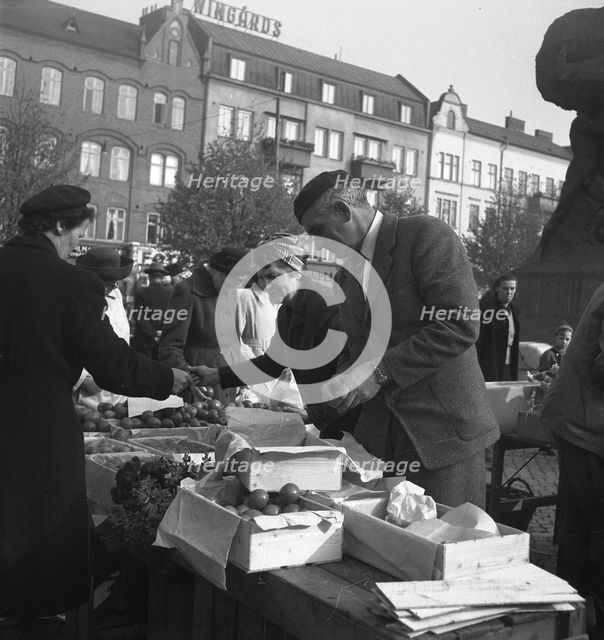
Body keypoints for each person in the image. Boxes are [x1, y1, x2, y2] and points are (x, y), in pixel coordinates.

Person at [195, 170, 499, 505]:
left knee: (448, 542)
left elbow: (459, 325)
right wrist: (341, 384)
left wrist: (377, 375)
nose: (315, 242)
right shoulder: (348, 273)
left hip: (443, 436)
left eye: (318, 231)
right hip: (384, 442)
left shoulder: (425, 234)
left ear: (344, 210)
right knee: (394, 547)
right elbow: (353, 350)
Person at [0, 185, 192, 635]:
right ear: (60, 226)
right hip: (40, 430)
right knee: (35, 544)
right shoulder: (73, 283)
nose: (76, 245)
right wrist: (168, 379)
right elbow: (112, 366)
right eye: (77, 233)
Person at [540, 288, 604, 638]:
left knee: (579, 526)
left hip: (581, 421)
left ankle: (569, 620)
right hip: (585, 425)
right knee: (592, 528)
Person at [159, 246, 248, 403]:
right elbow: (169, 347)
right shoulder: (186, 291)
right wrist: (189, 380)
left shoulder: (227, 290)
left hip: (226, 383)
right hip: (200, 388)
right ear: (219, 271)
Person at [73, 247, 134, 409]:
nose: (113, 286)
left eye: (114, 281)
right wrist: (83, 379)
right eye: (107, 282)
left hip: (118, 397)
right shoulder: (74, 299)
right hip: (86, 400)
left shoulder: (116, 294)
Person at [476, 274, 520, 381]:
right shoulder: (487, 309)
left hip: (509, 361)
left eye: (512, 289)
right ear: (497, 289)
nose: (509, 292)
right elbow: (480, 339)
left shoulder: (514, 310)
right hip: (490, 362)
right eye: (505, 288)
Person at [131, 262, 173, 360]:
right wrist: (160, 333)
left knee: (143, 370)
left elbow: (139, 317)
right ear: (162, 278)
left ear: (149, 277)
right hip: (163, 339)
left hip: (143, 340)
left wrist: (152, 333)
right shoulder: (170, 293)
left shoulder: (141, 292)